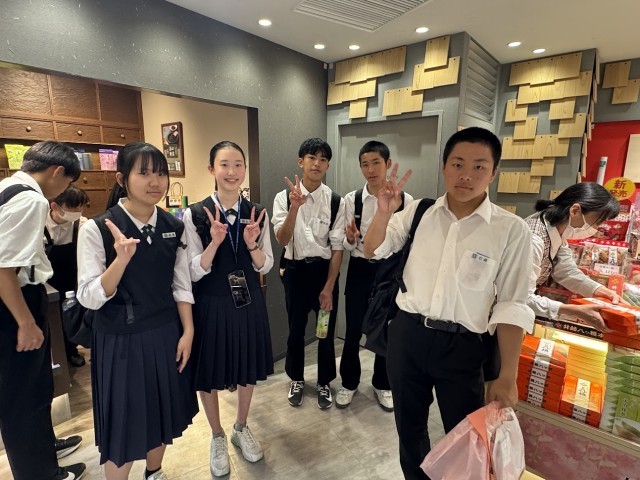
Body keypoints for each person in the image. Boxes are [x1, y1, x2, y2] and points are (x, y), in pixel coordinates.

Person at [363, 127, 535, 480]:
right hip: (408, 336)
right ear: (444, 167)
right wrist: (383, 212)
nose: (466, 175)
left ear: (493, 172)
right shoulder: (419, 212)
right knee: (409, 430)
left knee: (467, 437)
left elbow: (512, 305)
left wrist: (507, 375)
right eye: (457, 164)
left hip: (464, 347)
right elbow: (372, 249)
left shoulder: (511, 229)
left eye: (479, 166)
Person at [76, 142, 198, 480]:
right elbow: (88, 296)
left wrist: (188, 331)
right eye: (143, 173)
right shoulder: (97, 228)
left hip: (166, 334)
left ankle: (154, 472)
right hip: (120, 341)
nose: (155, 182)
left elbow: (181, 285)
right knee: (124, 425)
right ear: (122, 179)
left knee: (161, 413)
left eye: (160, 173)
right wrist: (121, 261)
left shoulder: (174, 226)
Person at [183, 141, 274, 477]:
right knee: (209, 370)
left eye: (238, 164)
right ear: (212, 169)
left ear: (245, 169)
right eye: (224, 164)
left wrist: (250, 245)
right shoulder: (195, 214)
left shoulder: (258, 212)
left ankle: (241, 427)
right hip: (209, 302)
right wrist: (215, 243)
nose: (232, 172)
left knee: (247, 365)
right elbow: (192, 271)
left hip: (247, 301)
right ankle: (217, 435)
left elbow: (266, 265)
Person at [0, 141, 86, 480]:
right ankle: (40, 473)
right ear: (57, 172)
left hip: (18, 296)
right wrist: (25, 322)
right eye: (67, 183)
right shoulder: (32, 199)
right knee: (23, 394)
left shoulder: (9, 186)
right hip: (13, 303)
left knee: (35, 386)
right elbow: (4, 269)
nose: (63, 191)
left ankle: (45, 446)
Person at [337, 141, 413, 412]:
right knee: (353, 329)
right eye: (364, 164)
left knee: (386, 330)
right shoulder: (352, 199)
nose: (370, 170)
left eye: (375, 163)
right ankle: (348, 383)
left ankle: (383, 384)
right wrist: (350, 239)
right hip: (360, 268)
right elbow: (345, 243)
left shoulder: (406, 201)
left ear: (388, 164)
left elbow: (406, 241)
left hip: (389, 272)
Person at [272, 138, 346, 410]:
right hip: (295, 272)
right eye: (312, 158)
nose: (317, 163)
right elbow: (282, 239)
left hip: (324, 274)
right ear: (300, 161)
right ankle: (297, 379)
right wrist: (295, 207)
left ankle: (324, 382)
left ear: (327, 165)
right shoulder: (283, 197)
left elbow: (337, 248)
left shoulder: (335, 201)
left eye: (323, 159)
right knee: (295, 330)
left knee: (324, 330)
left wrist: (329, 286)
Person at [526, 182, 621, 330]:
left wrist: (601, 291)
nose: (597, 229)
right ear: (575, 210)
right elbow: (520, 298)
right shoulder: (533, 240)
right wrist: (572, 310)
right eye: (597, 222)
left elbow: (566, 271)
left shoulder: (556, 227)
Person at [44, 185, 90, 367]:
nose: (78, 212)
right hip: (47, 280)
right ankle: (54, 355)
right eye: (73, 208)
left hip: (73, 278)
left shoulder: (82, 224)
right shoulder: (39, 223)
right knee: (50, 319)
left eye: (81, 207)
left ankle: (72, 351)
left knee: (72, 316)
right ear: (55, 206)